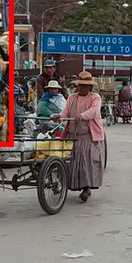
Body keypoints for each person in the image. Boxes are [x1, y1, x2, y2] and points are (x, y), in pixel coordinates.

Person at [53, 71, 104, 202]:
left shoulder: (95, 97)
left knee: (87, 162)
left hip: (88, 136)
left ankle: (86, 188)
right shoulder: (72, 98)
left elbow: (94, 111)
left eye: (84, 85)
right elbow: (66, 111)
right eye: (80, 85)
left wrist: (82, 116)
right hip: (72, 134)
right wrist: (59, 116)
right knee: (71, 161)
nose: (81, 87)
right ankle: (71, 184)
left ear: (90, 87)